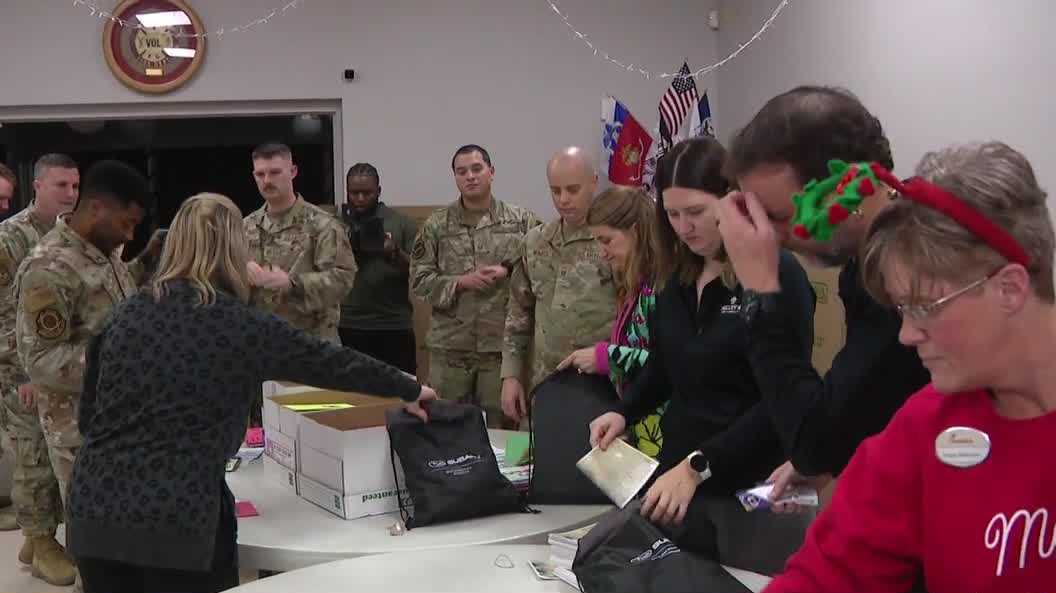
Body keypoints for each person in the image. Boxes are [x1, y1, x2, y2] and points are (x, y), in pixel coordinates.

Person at [65, 193, 437, 593]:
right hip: (178, 521)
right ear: (234, 249)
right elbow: (332, 362)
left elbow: (89, 418)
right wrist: (408, 388)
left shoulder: (124, 314)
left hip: (94, 513)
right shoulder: (240, 326)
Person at [767, 142, 1056, 592]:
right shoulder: (922, 428)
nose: (906, 335)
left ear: (1010, 288)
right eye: (901, 309)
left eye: (924, 307)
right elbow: (829, 573)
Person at [589, 138, 816, 573]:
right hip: (684, 487)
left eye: (695, 213)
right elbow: (665, 366)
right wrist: (625, 411)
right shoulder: (677, 278)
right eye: (672, 215)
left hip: (758, 491)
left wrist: (699, 466)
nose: (684, 227)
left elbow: (782, 402)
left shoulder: (773, 273)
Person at [715, 86, 931, 503]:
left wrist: (762, 288)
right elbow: (855, 415)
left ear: (845, 189)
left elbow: (815, 444)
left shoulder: (906, 271)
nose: (771, 237)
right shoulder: (865, 263)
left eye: (778, 216)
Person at [14, 160, 152, 588]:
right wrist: (123, 360)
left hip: (120, 419)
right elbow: (42, 362)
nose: (130, 236)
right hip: (79, 429)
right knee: (97, 546)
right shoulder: (49, 268)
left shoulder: (105, 253)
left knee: (124, 537)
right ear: (97, 209)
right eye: (127, 224)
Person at [411, 144, 541, 427]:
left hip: (501, 351)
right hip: (450, 351)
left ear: (491, 172)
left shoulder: (522, 221)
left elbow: (541, 265)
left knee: (503, 431)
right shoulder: (436, 225)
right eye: (462, 172)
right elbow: (419, 282)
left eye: (476, 169)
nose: (470, 176)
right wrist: (460, 282)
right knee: (445, 430)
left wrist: (507, 268)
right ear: (455, 178)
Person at [0, 155, 79, 584]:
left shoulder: (71, 237)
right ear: (37, 186)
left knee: (59, 453)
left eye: (75, 186)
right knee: (33, 455)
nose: (70, 194)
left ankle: (38, 535)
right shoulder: (10, 238)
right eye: (61, 186)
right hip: (22, 370)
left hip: (61, 370)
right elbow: (2, 314)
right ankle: (42, 541)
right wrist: (23, 373)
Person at [500, 147, 616, 424]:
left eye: (573, 190)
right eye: (555, 190)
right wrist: (511, 375)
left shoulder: (614, 241)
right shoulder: (535, 242)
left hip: (605, 385)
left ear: (593, 183)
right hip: (546, 383)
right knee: (545, 461)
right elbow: (518, 314)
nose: (563, 199)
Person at [559, 185, 663, 456]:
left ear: (636, 231)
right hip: (639, 423)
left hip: (663, 435)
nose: (602, 252)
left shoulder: (662, 288)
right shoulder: (634, 285)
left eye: (607, 240)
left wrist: (607, 357)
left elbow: (668, 364)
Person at [243, 142, 357, 343]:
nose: (267, 180)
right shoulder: (244, 227)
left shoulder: (322, 225)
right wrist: (240, 272)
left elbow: (343, 280)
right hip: (261, 341)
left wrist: (292, 285)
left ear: (293, 171)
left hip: (312, 342)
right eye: (260, 174)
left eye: (275, 172)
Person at [339, 163, 420, 374]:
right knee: (350, 398)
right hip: (347, 324)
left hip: (393, 326)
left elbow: (421, 272)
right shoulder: (336, 224)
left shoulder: (402, 223)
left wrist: (394, 252)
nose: (360, 199)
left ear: (379, 191)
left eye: (367, 193)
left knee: (401, 398)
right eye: (354, 193)